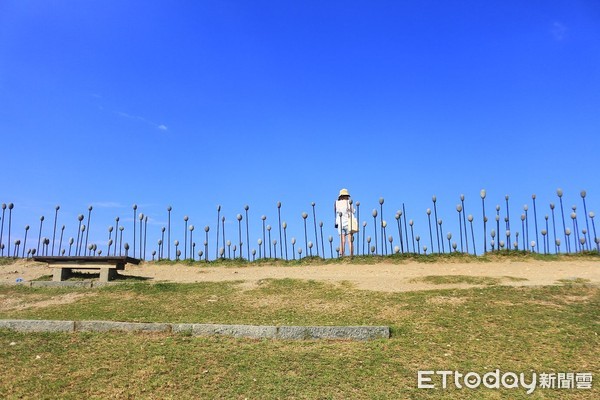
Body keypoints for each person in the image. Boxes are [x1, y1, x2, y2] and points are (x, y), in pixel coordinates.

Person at [334, 188, 356, 256]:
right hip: (348, 223)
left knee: (342, 240)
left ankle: (342, 254)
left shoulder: (336, 203)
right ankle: (351, 255)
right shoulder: (349, 202)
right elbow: (354, 211)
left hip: (340, 223)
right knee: (350, 240)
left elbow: (335, 212)